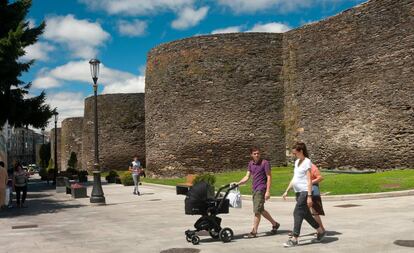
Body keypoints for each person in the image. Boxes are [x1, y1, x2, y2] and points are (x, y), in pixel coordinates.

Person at [282, 142, 325, 247]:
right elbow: (295, 178)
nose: (294, 155)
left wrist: (309, 196)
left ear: (301, 151)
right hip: (298, 192)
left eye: (295, 153)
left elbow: (309, 180)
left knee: (297, 212)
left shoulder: (307, 162)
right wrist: (287, 190)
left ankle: (294, 238)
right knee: (305, 214)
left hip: (305, 192)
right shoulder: (297, 162)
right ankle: (320, 231)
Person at [237, 147, 280, 238]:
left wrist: (268, 191)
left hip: (261, 189)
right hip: (254, 189)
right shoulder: (250, 164)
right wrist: (238, 183)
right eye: (255, 153)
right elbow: (247, 176)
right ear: (251, 155)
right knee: (260, 209)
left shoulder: (265, 163)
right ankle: (275, 224)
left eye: (258, 153)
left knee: (257, 210)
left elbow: (269, 177)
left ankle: (254, 232)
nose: (257, 155)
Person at [310, 163, 326, 232]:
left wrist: (309, 182)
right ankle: (321, 229)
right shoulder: (301, 166)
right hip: (305, 192)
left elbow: (320, 177)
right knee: (301, 212)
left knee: (314, 213)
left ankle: (321, 229)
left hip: (312, 192)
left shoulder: (312, 167)